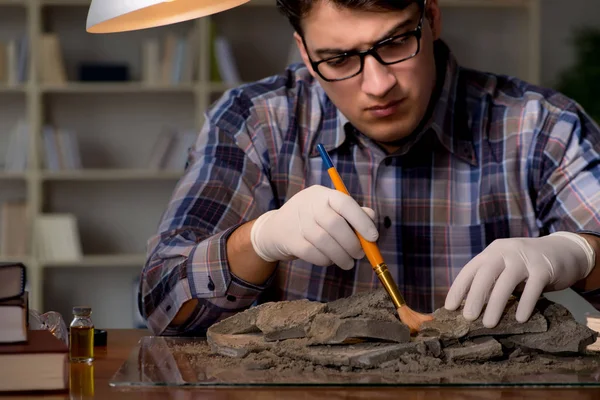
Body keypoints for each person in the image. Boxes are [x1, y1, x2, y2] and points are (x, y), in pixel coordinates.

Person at [139, 0, 600, 336]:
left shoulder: (541, 125)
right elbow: (160, 305)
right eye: (339, 59)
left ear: (432, 17)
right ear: (304, 52)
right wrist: (259, 240)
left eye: (397, 41)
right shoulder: (256, 121)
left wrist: (581, 254)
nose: (378, 85)